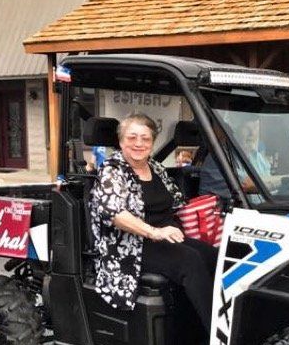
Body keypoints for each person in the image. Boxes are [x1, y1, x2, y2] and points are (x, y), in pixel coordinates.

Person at [90, 113, 217, 330]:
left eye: (145, 138)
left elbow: (178, 201)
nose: (139, 143)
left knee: (214, 255)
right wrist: (153, 232)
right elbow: (115, 214)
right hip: (131, 245)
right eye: (132, 138)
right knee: (190, 261)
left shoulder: (155, 168)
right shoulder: (112, 171)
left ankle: (205, 329)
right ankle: (215, 335)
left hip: (165, 237)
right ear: (121, 141)